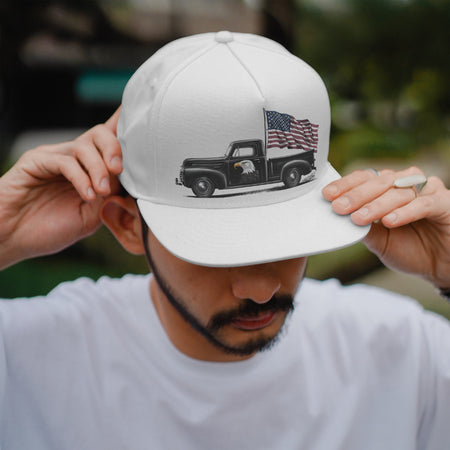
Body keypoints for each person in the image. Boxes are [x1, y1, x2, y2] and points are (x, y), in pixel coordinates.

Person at [0, 31, 449, 450]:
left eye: (285, 239)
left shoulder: (399, 349)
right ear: (127, 225)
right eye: (216, 249)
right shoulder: (34, 354)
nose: (260, 290)